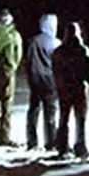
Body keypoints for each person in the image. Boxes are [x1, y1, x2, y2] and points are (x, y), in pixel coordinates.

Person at [52, 21, 89, 159]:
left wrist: (60, 83)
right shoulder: (82, 50)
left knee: (64, 118)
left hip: (65, 89)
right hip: (79, 89)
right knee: (80, 119)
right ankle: (80, 147)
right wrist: (86, 83)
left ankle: (62, 147)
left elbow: (55, 69)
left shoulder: (59, 51)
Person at [23, 13, 60, 151]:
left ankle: (32, 141)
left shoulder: (33, 41)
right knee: (50, 113)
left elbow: (28, 61)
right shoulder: (56, 43)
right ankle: (50, 141)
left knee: (33, 111)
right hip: (50, 82)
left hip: (35, 81)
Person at [0, 8, 23, 147]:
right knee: (7, 106)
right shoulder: (13, 35)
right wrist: (11, 67)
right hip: (7, 73)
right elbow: (17, 55)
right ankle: (4, 138)